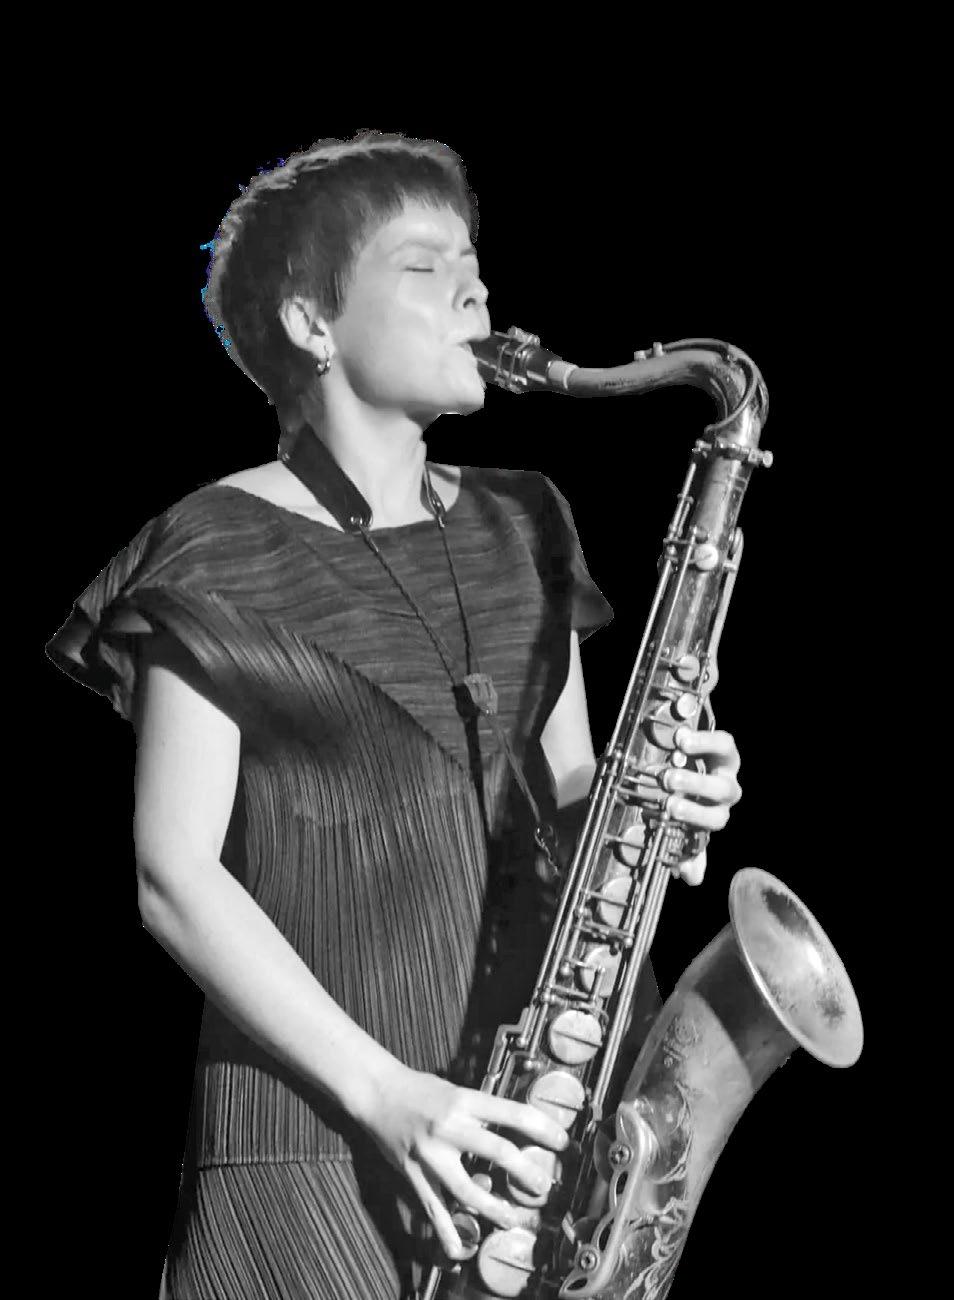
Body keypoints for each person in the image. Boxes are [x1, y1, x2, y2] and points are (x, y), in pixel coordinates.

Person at [45, 132, 742, 1300]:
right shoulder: (209, 547)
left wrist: (665, 807)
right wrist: (386, 1092)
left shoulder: (528, 520)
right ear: (310, 320)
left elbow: (572, 799)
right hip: (317, 1147)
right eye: (425, 266)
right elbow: (173, 874)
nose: (477, 293)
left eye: (475, 264)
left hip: (534, 1146)